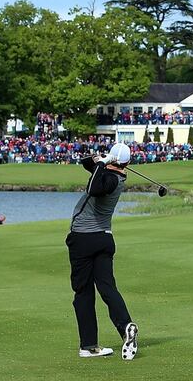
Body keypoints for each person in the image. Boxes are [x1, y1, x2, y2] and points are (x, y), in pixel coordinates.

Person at [66, 143, 138, 360]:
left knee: (83, 292)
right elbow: (87, 163)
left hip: (83, 239)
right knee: (107, 287)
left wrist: (103, 163)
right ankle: (125, 325)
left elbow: (93, 188)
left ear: (113, 160)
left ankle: (88, 346)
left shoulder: (110, 179)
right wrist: (101, 159)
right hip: (104, 239)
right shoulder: (112, 174)